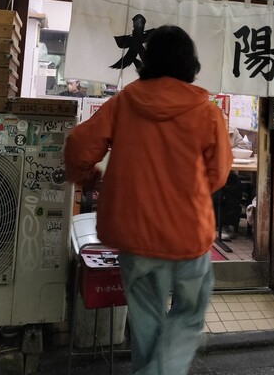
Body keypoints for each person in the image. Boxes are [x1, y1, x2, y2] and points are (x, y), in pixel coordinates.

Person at [64, 25, 232, 375]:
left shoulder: (124, 103)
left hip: (134, 235)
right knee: (189, 314)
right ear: (190, 63)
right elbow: (218, 174)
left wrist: (88, 176)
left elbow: (79, 146)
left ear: (148, 59)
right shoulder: (206, 112)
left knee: (145, 321)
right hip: (188, 234)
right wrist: (187, 191)